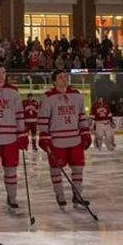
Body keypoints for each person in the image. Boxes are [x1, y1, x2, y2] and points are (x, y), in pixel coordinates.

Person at [37, 69, 90, 208]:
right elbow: (43, 119)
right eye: (60, 77)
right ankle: (60, 195)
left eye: (66, 77)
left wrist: (85, 132)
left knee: (78, 168)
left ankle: (77, 195)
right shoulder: (48, 97)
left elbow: (81, 116)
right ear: (54, 81)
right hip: (57, 139)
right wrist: (44, 135)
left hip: (75, 139)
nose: (64, 79)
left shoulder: (76, 96)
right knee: (56, 169)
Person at [0, 63, 24, 211]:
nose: (1, 75)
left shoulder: (13, 91)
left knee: (11, 169)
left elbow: (19, 113)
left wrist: (22, 133)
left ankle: (12, 197)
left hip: (10, 137)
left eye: (4, 72)